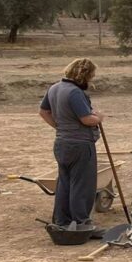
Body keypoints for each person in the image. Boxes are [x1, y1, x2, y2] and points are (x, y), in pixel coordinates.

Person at [38, 59, 103, 226]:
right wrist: (99, 118)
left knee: (64, 184)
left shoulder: (54, 88)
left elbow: (43, 111)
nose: (90, 81)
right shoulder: (74, 92)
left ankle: (62, 221)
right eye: (91, 76)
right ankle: (81, 222)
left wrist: (59, 127)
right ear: (83, 75)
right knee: (82, 185)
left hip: (62, 143)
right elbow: (86, 119)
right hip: (80, 144)